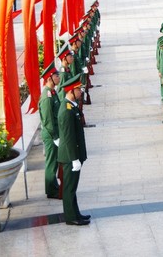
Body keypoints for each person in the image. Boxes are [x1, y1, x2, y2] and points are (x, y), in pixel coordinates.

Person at [56, 74, 90, 225]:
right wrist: (74, 159)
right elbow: (68, 137)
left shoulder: (71, 107)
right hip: (70, 157)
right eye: (79, 89)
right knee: (69, 189)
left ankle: (76, 213)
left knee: (73, 187)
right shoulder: (66, 110)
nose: (81, 92)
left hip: (73, 155)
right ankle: (71, 217)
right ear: (71, 91)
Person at [39, 62, 61, 199]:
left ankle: (53, 186)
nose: (58, 77)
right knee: (51, 162)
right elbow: (48, 120)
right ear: (49, 78)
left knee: (54, 161)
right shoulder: (47, 96)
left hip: (55, 132)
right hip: (50, 133)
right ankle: (51, 190)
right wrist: (55, 136)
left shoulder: (52, 92)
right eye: (56, 75)